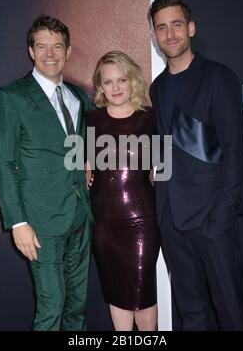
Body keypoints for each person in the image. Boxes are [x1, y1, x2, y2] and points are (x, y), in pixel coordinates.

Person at [149, 0, 243, 330]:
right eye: (161, 27)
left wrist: (220, 217)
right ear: (155, 35)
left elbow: (235, 152)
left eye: (176, 24)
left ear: (191, 28)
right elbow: (166, 146)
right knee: (192, 315)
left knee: (231, 313)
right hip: (173, 223)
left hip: (212, 220)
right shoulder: (157, 87)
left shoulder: (219, 77)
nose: (170, 33)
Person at [0, 15, 93, 331]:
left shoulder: (80, 97)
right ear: (31, 52)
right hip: (40, 222)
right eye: (42, 47)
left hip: (81, 216)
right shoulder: (10, 97)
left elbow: (79, 146)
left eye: (57, 46)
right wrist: (18, 222)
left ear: (69, 50)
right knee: (52, 308)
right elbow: (3, 164)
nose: (50, 54)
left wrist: (86, 161)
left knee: (77, 309)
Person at [85, 51, 160, 331]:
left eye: (122, 80)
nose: (116, 88)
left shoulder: (151, 119)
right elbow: (80, 165)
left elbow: (163, 170)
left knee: (143, 296)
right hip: (104, 226)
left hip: (143, 222)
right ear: (100, 86)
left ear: (133, 81)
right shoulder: (90, 121)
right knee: (116, 297)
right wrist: (83, 168)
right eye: (108, 82)